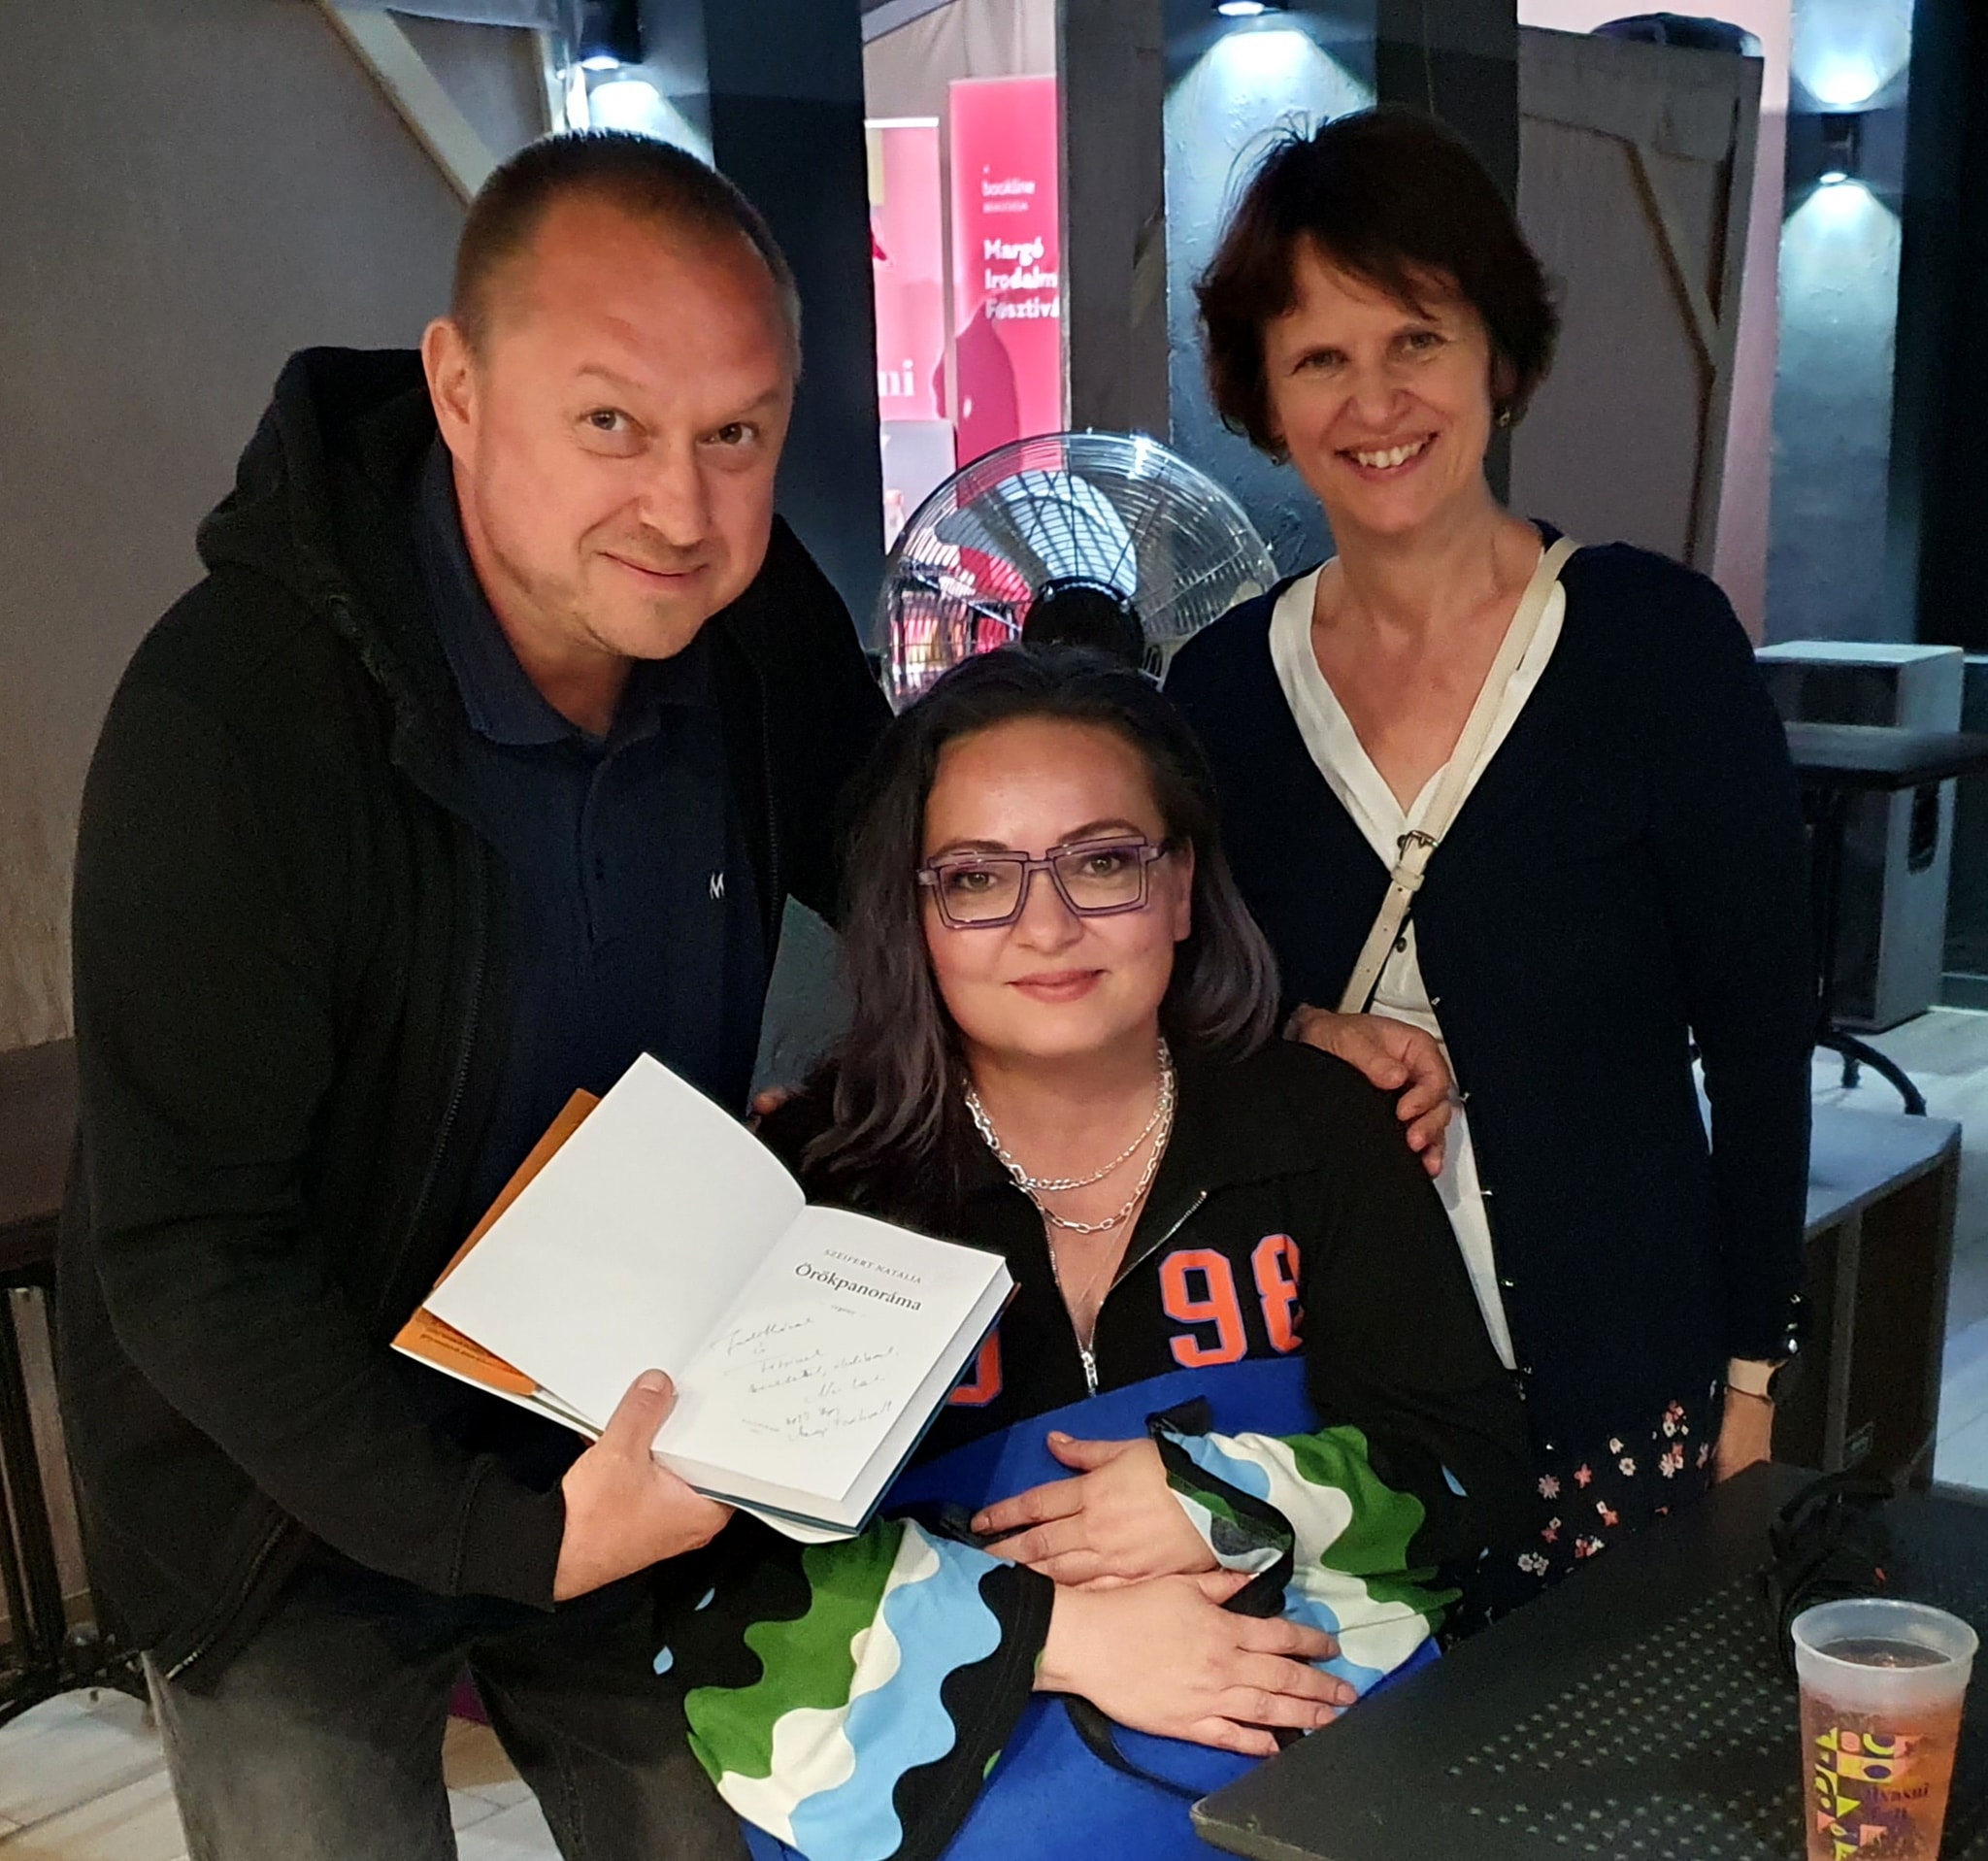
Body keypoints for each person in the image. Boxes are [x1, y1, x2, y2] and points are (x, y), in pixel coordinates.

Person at [56, 131, 891, 1860]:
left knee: (743, 1830)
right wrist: (497, 1541)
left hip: (617, 1410)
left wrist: (1239, 1015)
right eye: (611, 423)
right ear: (457, 388)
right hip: (285, 1485)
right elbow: (186, 1251)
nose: (681, 509)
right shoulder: (237, 718)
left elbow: (926, 868)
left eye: (735, 434)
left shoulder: (749, 633)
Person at [676, 646, 1532, 1861]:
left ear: (1180, 888)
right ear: (912, 916)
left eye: (1101, 862)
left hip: (1292, 1787)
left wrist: (1219, 1497)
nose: (1047, 925)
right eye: (976, 878)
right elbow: (709, 1567)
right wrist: (1042, 1633)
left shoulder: (1318, 1130)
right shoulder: (822, 1183)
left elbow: (1470, 1472)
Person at [1164, 109, 1812, 1619]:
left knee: (1611, 1744)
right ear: (1263, 391)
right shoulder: (1219, 696)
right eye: (1320, 357)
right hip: (1328, 1417)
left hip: (1622, 1388)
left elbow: (1763, 1037)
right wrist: (1298, 1028)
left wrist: (1754, 1380)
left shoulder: (1654, 647)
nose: (1375, 400)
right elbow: (1177, 1017)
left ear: (1497, 357)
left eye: (1418, 340)